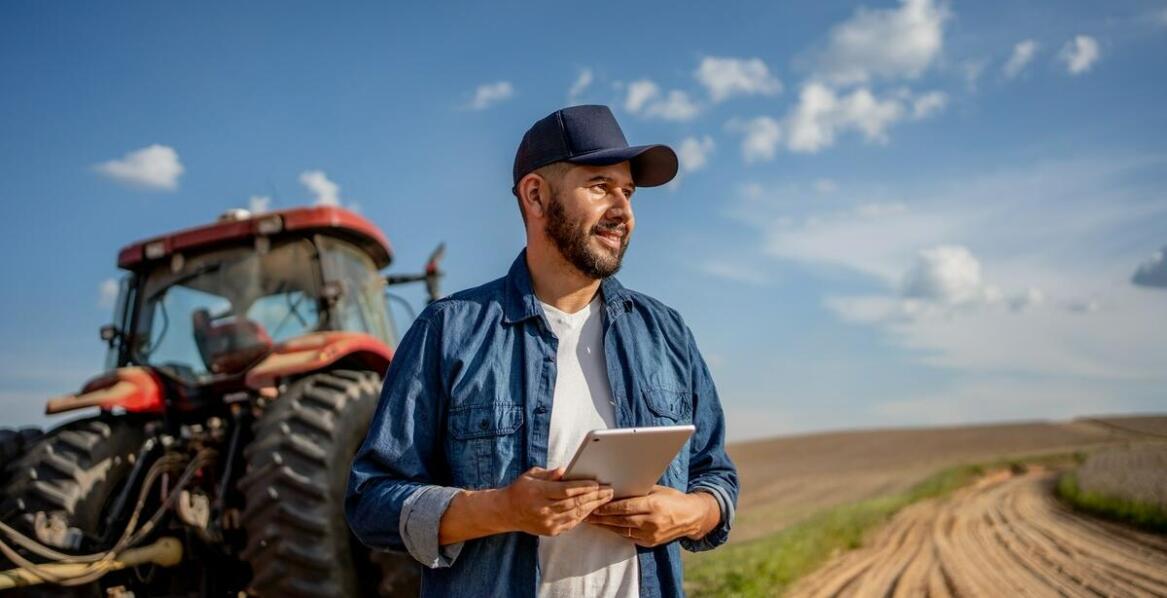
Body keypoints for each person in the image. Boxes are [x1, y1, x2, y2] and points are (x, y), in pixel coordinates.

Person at [346, 104, 738, 597]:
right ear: (535, 195)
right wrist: (502, 509)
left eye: (629, 192)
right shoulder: (447, 332)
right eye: (600, 186)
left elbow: (714, 475)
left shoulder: (667, 333)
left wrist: (692, 513)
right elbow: (372, 502)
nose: (623, 212)